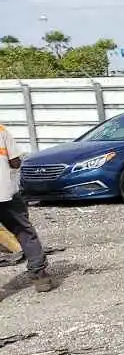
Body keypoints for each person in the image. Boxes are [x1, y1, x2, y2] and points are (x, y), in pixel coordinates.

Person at [0, 121, 56, 292]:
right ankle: (40, 277)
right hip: (5, 193)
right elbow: (15, 162)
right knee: (24, 231)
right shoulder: (2, 131)